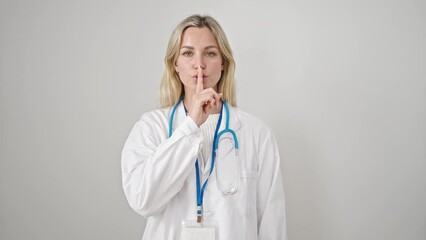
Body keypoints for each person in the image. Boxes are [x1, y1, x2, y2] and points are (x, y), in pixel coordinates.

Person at [121, 14, 287, 240]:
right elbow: (143, 201)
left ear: (223, 64)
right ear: (175, 65)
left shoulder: (257, 133)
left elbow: (272, 224)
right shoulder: (150, 127)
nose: (199, 64)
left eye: (210, 53)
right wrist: (191, 125)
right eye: (188, 53)